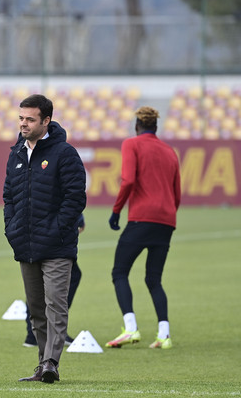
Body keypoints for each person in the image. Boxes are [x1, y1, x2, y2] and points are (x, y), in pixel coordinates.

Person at [3, 94, 86, 383]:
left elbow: (75, 199)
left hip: (57, 246)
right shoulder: (15, 154)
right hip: (25, 244)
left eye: (30, 119)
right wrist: (11, 228)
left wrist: (57, 230)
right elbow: (8, 197)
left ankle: (52, 362)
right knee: (36, 310)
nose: (23, 124)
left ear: (46, 121)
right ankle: (42, 364)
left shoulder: (65, 153)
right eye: (21, 118)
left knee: (55, 305)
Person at [105, 106, 180, 350]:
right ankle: (164, 335)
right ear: (155, 127)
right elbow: (176, 193)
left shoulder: (132, 144)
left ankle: (130, 328)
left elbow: (128, 180)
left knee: (119, 272)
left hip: (141, 218)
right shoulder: (170, 152)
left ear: (137, 126)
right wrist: (167, 214)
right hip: (166, 221)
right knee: (154, 279)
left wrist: (116, 211)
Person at [23, 214, 85, 348]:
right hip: (52, 231)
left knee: (37, 280)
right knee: (66, 277)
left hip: (31, 230)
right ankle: (51, 331)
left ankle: (33, 333)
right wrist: (78, 219)